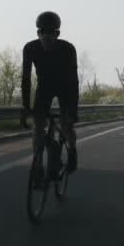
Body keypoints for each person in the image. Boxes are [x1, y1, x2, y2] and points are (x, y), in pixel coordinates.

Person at [21, 11, 79, 183]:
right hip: (44, 87)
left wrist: (71, 112)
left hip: (65, 88)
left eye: (50, 33)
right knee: (38, 125)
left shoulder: (68, 49)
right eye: (42, 33)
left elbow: (74, 82)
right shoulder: (30, 48)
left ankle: (72, 151)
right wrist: (25, 107)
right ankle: (38, 166)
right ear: (38, 33)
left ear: (57, 34)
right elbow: (25, 79)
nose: (46, 37)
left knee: (66, 125)